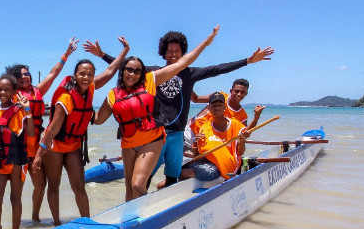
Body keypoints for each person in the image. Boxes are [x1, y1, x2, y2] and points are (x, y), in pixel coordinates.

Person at [86, 29, 272, 188]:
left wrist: (248, 61)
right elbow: (128, 68)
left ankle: (167, 207)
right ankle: (139, 208)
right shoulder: (154, 73)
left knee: (172, 177)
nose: (173, 54)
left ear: (183, 52)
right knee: (144, 177)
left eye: (177, 51)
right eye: (169, 51)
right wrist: (102, 55)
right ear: (163, 53)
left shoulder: (190, 73)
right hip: (154, 135)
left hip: (177, 135)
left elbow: (218, 69)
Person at [91, 30, 220, 201]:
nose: (132, 73)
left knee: (138, 185)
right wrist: (80, 106)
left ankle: (147, 212)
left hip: (152, 140)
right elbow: (98, 120)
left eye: (137, 71)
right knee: (130, 188)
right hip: (128, 143)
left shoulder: (149, 81)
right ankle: (131, 215)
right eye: (128, 69)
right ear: (122, 71)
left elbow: (181, 64)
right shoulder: (113, 94)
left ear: (141, 73)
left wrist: (205, 43)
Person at [0, 36, 78, 223]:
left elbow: (53, 73)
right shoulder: (12, 94)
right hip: (17, 150)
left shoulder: (38, 90)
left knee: (41, 184)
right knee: (12, 193)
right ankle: (4, 227)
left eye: (27, 74)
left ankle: (35, 218)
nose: (26, 77)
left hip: (36, 148)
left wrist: (66, 54)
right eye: (21, 75)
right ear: (14, 79)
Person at [32, 37, 129, 225]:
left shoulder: (90, 88)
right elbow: (52, 129)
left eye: (90, 74)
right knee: (54, 185)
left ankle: (88, 221)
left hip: (74, 146)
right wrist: (38, 155)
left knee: (79, 186)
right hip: (54, 147)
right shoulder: (66, 98)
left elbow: (110, 71)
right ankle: (57, 223)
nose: (86, 77)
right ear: (75, 75)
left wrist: (124, 51)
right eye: (82, 74)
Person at [0, 73, 35, 229]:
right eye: (0, 89)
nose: (3, 92)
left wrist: (27, 110)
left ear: (15, 91)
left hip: (16, 161)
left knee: (15, 198)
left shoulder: (19, 111)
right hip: (0, 162)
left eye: (7, 89)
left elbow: (31, 133)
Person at [183, 92, 249, 182]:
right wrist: (195, 142)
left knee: (184, 173)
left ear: (224, 107)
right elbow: (197, 157)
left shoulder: (236, 125)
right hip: (205, 164)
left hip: (225, 169)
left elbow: (240, 153)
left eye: (220, 105)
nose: (217, 108)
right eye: (214, 106)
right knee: (176, 172)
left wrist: (242, 139)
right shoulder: (204, 128)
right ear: (209, 108)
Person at [191, 78, 265, 131]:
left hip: (207, 139)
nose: (239, 94)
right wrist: (187, 83)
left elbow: (244, 134)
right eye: (236, 91)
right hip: (192, 130)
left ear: (246, 94)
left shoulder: (242, 115)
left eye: (242, 92)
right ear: (231, 91)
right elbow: (196, 99)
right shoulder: (219, 96)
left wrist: (256, 117)